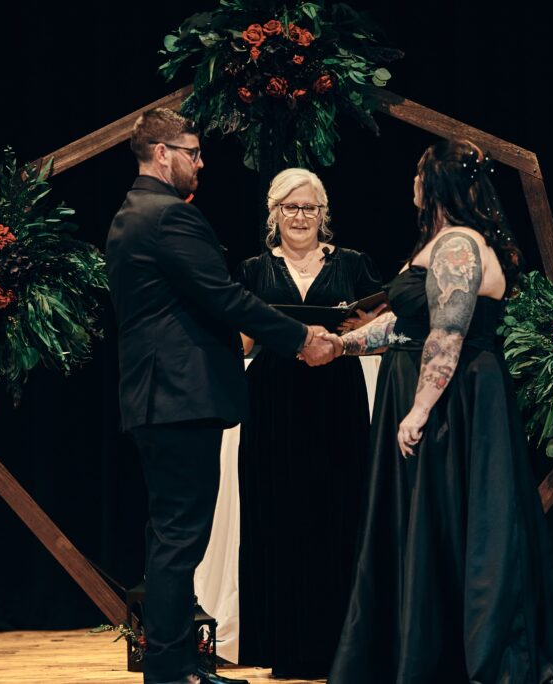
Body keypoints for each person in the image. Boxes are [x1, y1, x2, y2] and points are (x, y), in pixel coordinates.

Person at [324, 139, 553, 683]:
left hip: (456, 404)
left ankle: (458, 656)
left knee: (459, 519)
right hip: (442, 395)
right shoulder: (442, 243)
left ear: (435, 185)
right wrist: (343, 345)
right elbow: (407, 324)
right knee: (435, 523)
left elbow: (448, 333)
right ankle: (429, 647)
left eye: (417, 173)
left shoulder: (458, 245)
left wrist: (420, 408)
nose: (411, 184)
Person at [105, 108, 335, 684]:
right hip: (181, 398)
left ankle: (178, 663)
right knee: (180, 539)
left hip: (157, 398)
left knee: (171, 536)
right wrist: (301, 337)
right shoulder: (168, 218)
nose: (201, 161)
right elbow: (226, 299)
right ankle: (170, 668)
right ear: (163, 153)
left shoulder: (129, 214)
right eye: (194, 151)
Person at [234, 168, 383, 678]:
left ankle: (341, 647)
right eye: (290, 208)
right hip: (273, 404)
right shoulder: (253, 270)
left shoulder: (354, 264)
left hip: (335, 404)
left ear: (324, 214)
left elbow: (384, 328)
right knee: (278, 516)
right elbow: (243, 343)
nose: (300, 218)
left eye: (310, 208)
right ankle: (283, 648)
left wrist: (358, 330)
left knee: (336, 514)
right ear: (273, 213)